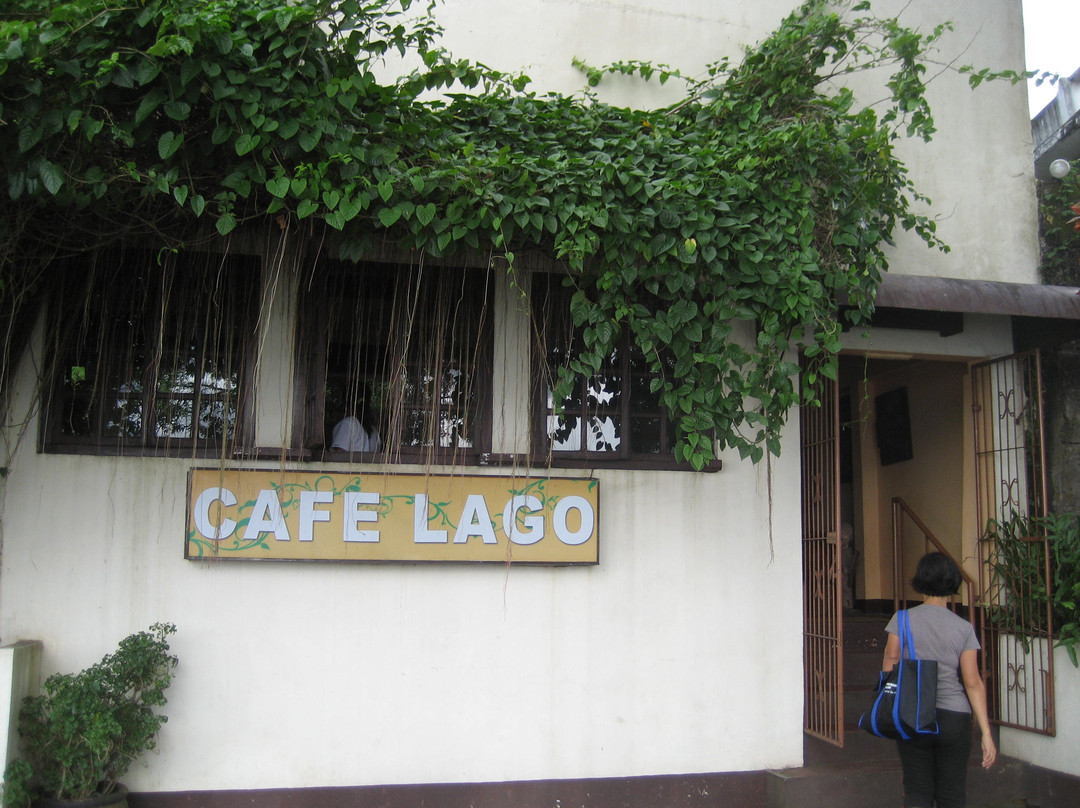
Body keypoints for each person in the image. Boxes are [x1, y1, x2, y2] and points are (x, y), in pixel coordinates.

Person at [880, 552, 996, 808]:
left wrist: (890, 702)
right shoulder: (963, 628)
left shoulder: (901, 620)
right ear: (952, 583)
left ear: (920, 580)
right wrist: (986, 732)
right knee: (952, 794)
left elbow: (891, 661)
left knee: (917, 791)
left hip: (913, 715)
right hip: (954, 717)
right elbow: (973, 682)